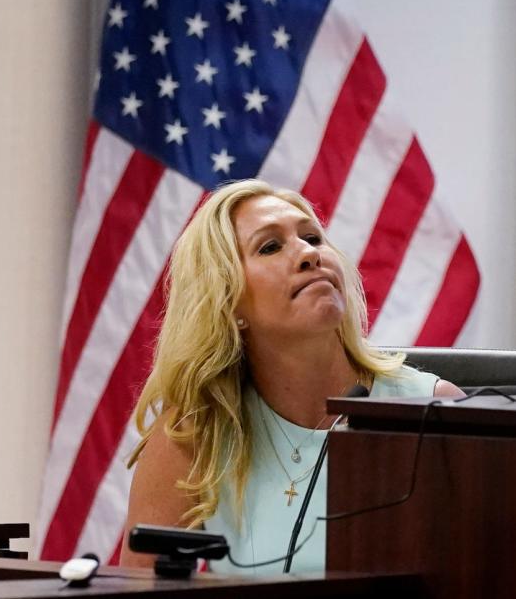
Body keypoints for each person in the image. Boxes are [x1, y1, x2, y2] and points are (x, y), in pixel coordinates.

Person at [118, 179, 463, 573]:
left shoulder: (435, 411)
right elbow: (136, 590)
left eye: (313, 238)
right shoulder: (198, 431)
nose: (308, 255)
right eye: (270, 246)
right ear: (228, 302)